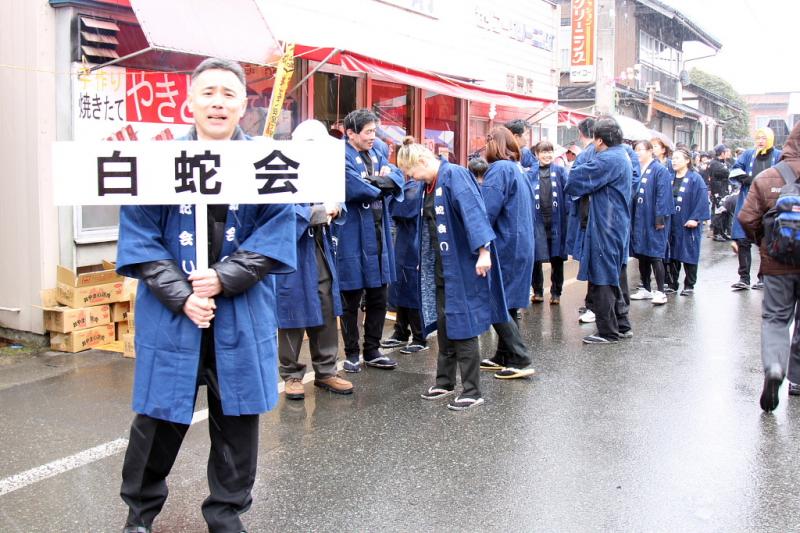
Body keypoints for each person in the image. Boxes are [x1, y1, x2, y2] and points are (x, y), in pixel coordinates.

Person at [116, 58, 297, 533]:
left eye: (228, 94)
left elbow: (280, 227)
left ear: (244, 105)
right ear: (190, 100)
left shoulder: (266, 161)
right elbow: (140, 236)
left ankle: (225, 512)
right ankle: (140, 512)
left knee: (237, 416)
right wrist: (182, 295)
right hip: (174, 309)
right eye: (208, 92)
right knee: (158, 416)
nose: (218, 102)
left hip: (240, 304)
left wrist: (224, 277)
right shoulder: (156, 160)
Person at [397, 139, 507, 410]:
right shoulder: (430, 184)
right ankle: (444, 381)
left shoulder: (454, 174)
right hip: (442, 265)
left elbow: (474, 212)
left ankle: (472, 389)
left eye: (411, 171)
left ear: (422, 162)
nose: (410, 177)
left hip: (463, 264)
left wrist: (484, 251)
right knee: (446, 325)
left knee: (464, 323)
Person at [277, 120, 352, 401]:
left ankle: (326, 370)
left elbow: (338, 203)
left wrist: (334, 208)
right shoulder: (280, 169)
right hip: (291, 252)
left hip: (319, 247)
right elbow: (283, 212)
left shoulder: (324, 170)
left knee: (325, 305)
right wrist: (321, 211)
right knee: (291, 309)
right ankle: (292, 375)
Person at [335, 108, 405, 372]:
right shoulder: (340, 155)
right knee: (351, 296)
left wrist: (376, 180)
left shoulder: (379, 151)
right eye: (368, 132)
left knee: (379, 295)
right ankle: (352, 352)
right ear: (350, 133)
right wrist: (381, 182)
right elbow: (353, 187)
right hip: (352, 233)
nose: (373, 137)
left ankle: (373, 349)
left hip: (378, 232)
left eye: (375, 131)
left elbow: (397, 177)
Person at [738, 121, 800, 411]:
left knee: (775, 319)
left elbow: (746, 218)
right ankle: (797, 380)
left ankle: (775, 366)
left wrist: (765, 243)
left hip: (777, 265)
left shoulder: (768, 176)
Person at [564, 117, 632, 344]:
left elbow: (574, 179)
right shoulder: (621, 154)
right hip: (615, 223)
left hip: (606, 224)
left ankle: (608, 331)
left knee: (602, 275)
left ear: (599, 140)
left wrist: (579, 162)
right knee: (614, 274)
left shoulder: (607, 159)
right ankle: (621, 325)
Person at [477, 126, 535, 379]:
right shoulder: (517, 169)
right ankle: (504, 355)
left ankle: (520, 358)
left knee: (495, 300)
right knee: (508, 301)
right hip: (520, 242)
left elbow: (487, 211)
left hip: (505, 245)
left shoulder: (499, 169)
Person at [381, 148, 428, 354]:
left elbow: (401, 210)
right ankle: (401, 332)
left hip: (414, 241)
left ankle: (419, 336)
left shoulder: (416, 187)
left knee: (412, 289)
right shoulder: (414, 186)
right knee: (402, 287)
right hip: (405, 241)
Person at [731, 127, 782, 291]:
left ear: (770, 139)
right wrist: (747, 179)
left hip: (770, 206)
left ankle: (764, 278)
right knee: (743, 241)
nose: (760, 141)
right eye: (758, 138)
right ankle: (744, 278)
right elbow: (735, 169)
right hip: (748, 202)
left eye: (764, 138)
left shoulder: (779, 156)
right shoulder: (747, 154)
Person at [630, 140, 673, 305]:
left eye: (641, 149)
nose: (638, 153)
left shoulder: (659, 170)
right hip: (639, 216)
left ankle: (661, 290)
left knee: (655, 254)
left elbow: (663, 194)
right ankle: (646, 288)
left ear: (650, 151)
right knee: (641, 253)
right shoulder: (636, 170)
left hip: (653, 217)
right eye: (636, 150)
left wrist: (660, 217)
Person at [565, 117, 598, 325]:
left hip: (589, 216)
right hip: (596, 216)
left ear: (581, 133)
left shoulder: (588, 155)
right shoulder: (612, 154)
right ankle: (592, 303)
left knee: (592, 261)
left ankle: (594, 305)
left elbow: (574, 185)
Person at [665, 148, 710, 296]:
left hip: (688, 221)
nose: (674, 161)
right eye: (673, 158)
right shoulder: (669, 177)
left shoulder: (695, 179)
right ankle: (672, 283)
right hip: (672, 222)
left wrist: (695, 218)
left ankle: (689, 285)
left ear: (687, 160)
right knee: (672, 253)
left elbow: (702, 200)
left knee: (689, 252)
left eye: (678, 158)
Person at [530, 140, 570, 304]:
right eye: (543, 152)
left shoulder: (561, 171)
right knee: (535, 258)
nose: (547, 155)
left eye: (549, 152)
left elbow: (568, 194)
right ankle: (537, 291)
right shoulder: (530, 173)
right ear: (536, 154)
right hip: (536, 221)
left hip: (556, 220)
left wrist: (568, 216)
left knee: (557, 257)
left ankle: (556, 293)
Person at [706, 144, 731, 241]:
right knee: (718, 211)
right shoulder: (715, 164)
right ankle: (716, 233)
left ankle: (721, 232)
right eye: (725, 152)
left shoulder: (723, 163)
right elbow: (726, 172)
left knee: (724, 211)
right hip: (717, 190)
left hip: (723, 189)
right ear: (721, 153)